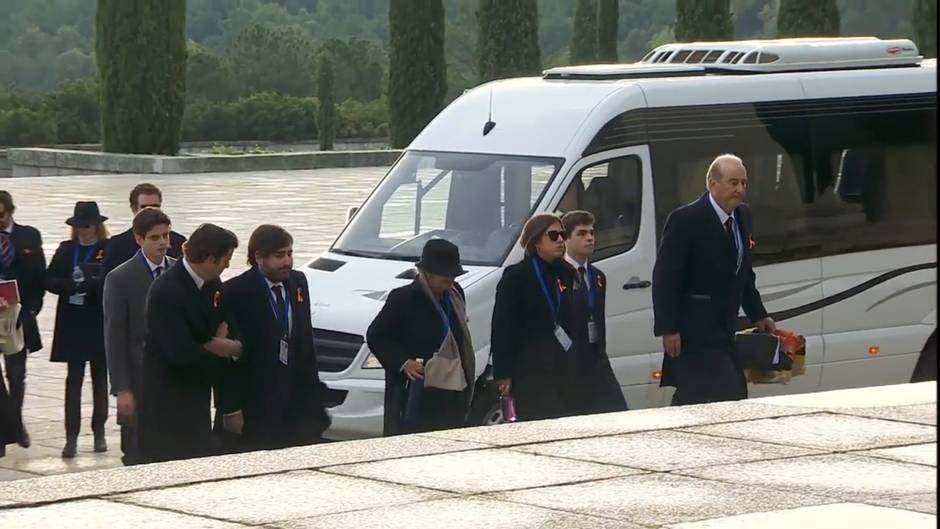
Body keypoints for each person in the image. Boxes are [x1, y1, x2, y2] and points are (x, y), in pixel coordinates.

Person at [652, 153, 775, 406]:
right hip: (694, 327)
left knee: (705, 394)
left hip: (726, 327)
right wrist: (668, 327)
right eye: (733, 182)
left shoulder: (743, 217)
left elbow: (744, 273)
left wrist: (759, 314)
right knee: (725, 390)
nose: (739, 189)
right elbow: (666, 276)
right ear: (712, 183)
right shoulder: (686, 219)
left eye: (743, 183)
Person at [219, 225, 330, 451]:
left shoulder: (298, 282)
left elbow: (305, 342)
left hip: (294, 400)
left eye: (289, 253)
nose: (287, 261)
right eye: (279, 256)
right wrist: (231, 408)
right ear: (259, 257)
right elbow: (225, 363)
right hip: (254, 401)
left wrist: (315, 398)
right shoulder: (235, 292)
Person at [138, 223, 242, 463]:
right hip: (166, 402)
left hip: (197, 399)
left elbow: (221, 327)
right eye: (225, 259)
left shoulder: (213, 285)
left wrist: (211, 343)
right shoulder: (166, 291)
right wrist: (217, 346)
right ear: (209, 258)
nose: (227, 265)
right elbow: (179, 353)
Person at [367, 239, 475, 435]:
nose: (450, 282)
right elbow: (376, 336)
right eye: (444, 278)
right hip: (415, 389)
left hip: (452, 386)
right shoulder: (403, 298)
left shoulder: (455, 294)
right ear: (427, 274)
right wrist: (403, 362)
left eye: (453, 276)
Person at [103, 208, 176, 465]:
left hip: (173, 380)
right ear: (139, 239)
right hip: (138, 378)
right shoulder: (120, 278)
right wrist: (122, 388)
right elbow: (114, 336)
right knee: (136, 452)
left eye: (166, 236)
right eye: (155, 237)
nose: (163, 243)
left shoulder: (178, 272)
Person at [491, 213, 581, 421]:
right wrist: (503, 372)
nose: (560, 239)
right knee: (542, 418)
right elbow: (502, 325)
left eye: (563, 234)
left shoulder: (566, 273)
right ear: (536, 241)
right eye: (553, 235)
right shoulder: (516, 276)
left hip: (563, 364)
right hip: (529, 366)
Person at [44, 201, 110, 458]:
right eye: (79, 226)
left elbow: (111, 280)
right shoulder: (66, 249)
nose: (83, 231)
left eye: (88, 225)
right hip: (72, 320)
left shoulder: (106, 248)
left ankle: (99, 430)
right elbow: (48, 278)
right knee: (73, 380)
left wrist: (92, 285)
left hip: (96, 318)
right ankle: (71, 436)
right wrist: (68, 286)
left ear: (97, 226)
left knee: (99, 379)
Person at [560, 210, 628, 414]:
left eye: (591, 232)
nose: (589, 238)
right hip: (569, 361)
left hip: (596, 358)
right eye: (581, 234)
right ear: (566, 239)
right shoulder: (559, 275)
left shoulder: (597, 276)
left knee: (616, 412)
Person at [0, 191, 45, 457]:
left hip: (18, 315)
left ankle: (15, 424)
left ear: (10, 211)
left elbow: (39, 274)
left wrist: (30, 309)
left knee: (16, 376)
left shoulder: (28, 236)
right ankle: (7, 431)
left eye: (1, 215)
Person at [102, 183, 186, 276]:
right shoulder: (117, 245)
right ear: (134, 209)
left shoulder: (179, 242)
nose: (151, 210)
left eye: (156, 206)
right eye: (144, 207)